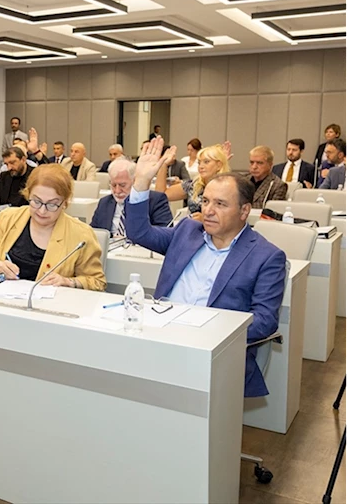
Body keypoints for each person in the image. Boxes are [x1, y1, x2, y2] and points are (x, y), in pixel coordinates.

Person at [126, 139, 286, 398]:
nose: (208, 211)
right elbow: (138, 232)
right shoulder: (188, 230)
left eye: (220, 204)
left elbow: (264, 321)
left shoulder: (267, 256)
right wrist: (142, 181)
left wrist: (204, 329)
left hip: (210, 353)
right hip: (158, 337)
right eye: (206, 201)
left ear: (244, 211)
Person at [0, 164, 106, 291]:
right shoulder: (9, 218)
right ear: (28, 194)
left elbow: (97, 282)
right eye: (36, 201)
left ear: (65, 203)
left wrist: (69, 282)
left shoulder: (81, 234)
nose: (42, 211)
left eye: (52, 204)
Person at [90, 158, 172, 237]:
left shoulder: (156, 201)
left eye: (122, 185)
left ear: (135, 181)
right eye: (113, 185)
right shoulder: (104, 203)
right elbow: (92, 233)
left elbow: (165, 235)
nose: (117, 191)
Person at [156, 141, 230, 220]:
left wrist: (205, 220)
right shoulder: (194, 185)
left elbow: (232, 219)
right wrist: (164, 164)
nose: (201, 166)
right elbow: (161, 195)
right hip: (193, 226)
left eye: (206, 162)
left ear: (219, 165)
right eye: (199, 163)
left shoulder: (228, 188)